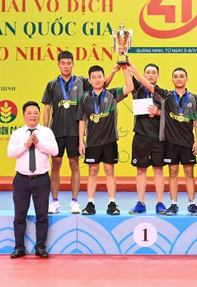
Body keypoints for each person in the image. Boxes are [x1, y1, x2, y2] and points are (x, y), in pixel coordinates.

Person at [134, 67, 197, 215]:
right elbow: (147, 85)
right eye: (176, 76)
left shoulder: (194, 98)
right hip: (171, 142)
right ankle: (173, 203)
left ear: (186, 79)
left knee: (189, 173)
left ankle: (191, 203)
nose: (179, 79)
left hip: (188, 142)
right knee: (173, 173)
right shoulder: (166, 96)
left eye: (181, 76)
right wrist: (131, 69)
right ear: (172, 80)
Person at [41, 50, 93, 215]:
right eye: (62, 63)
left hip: (74, 131)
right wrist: (44, 130)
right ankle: (54, 201)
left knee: (74, 164)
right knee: (55, 164)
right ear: (58, 65)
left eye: (68, 63)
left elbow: (101, 83)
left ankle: (74, 201)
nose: (65, 66)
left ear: (73, 64)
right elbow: (47, 107)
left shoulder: (82, 82)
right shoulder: (51, 84)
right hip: (56, 131)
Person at [77, 64, 133, 216]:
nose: (97, 80)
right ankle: (90, 203)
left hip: (109, 141)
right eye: (93, 77)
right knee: (92, 171)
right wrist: (81, 141)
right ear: (89, 80)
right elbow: (81, 120)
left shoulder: (112, 94)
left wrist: (124, 68)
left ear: (104, 78)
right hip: (92, 142)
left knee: (110, 171)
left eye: (99, 76)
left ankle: (112, 203)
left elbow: (130, 87)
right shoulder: (85, 98)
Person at [7, 101, 58, 258]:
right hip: (21, 180)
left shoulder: (46, 132)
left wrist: (39, 144)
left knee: (42, 216)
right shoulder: (17, 133)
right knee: (19, 216)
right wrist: (26, 144)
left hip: (41, 179)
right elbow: (10, 153)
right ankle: (19, 247)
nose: (33, 116)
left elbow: (55, 151)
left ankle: (40, 247)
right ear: (23, 116)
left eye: (35, 113)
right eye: (29, 113)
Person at [127, 63, 167, 215]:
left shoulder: (163, 93)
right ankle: (141, 202)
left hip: (158, 138)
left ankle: (160, 203)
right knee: (141, 170)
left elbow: (168, 114)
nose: (150, 75)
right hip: (141, 137)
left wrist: (157, 112)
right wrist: (126, 63)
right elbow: (130, 79)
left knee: (158, 170)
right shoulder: (137, 90)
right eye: (148, 72)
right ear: (144, 75)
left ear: (158, 76)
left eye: (153, 73)